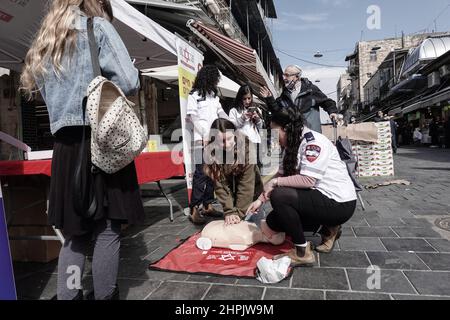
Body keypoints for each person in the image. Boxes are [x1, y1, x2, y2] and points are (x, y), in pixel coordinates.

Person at [20, 0, 144, 300]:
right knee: (108, 228)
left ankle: (69, 294)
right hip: (100, 141)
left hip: (64, 148)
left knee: (75, 233)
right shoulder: (97, 28)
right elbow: (128, 81)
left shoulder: (46, 41)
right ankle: (104, 295)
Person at [246, 106, 357, 267]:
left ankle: (302, 252)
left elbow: (308, 180)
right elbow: (281, 175)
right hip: (318, 199)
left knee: (280, 196)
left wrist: (275, 183)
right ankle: (328, 229)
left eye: (275, 131)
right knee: (273, 221)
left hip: (339, 204)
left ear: (286, 128)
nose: (274, 137)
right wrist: (260, 200)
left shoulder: (313, 142)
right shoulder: (291, 145)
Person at [187, 65, 229, 224]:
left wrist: (228, 123)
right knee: (201, 174)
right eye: (215, 79)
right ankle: (194, 209)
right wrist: (204, 135)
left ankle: (208, 205)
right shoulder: (194, 95)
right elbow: (193, 117)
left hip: (215, 139)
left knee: (214, 174)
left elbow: (221, 113)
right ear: (209, 78)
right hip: (201, 139)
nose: (217, 82)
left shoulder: (214, 96)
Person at [204, 118, 263, 226]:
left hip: (252, 196)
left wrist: (238, 214)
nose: (227, 144)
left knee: (253, 229)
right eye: (221, 141)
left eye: (229, 138)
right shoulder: (211, 153)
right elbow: (220, 186)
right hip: (230, 197)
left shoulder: (248, 148)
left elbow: (246, 185)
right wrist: (229, 212)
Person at [260, 65, 338, 133]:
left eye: (287, 75)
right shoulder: (285, 95)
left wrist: (333, 112)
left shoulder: (310, 90)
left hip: (311, 135)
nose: (284, 78)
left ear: (297, 77)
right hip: (294, 137)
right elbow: (277, 111)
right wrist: (269, 98)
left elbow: (327, 102)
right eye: (284, 75)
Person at [228, 84, 264, 167]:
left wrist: (258, 119)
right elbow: (233, 127)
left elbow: (260, 127)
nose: (247, 101)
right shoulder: (234, 111)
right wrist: (243, 118)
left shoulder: (257, 109)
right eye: (244, 99)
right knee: (244, 169)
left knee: (257, 169)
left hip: (255, 141)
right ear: (240, 98)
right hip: (241, 143)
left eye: (249, 98)